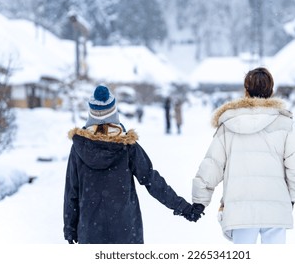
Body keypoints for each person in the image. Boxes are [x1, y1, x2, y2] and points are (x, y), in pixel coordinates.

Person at [63, 85, 202, 244]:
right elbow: (152, 181)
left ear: (91, 114)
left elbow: (71, 192)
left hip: (90, 232)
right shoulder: (127, 147)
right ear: (113, 112)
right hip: (125, 231)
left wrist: (70, 228)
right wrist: (184, 208)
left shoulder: (79, 148)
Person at [191, 67, 295, 244]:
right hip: (275, 207)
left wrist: (199, 200)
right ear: (271, 90)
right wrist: (290, 196)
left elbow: (212, 164)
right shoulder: (285, 123)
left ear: (246, 89)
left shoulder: (229, 124)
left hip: (240, 210)